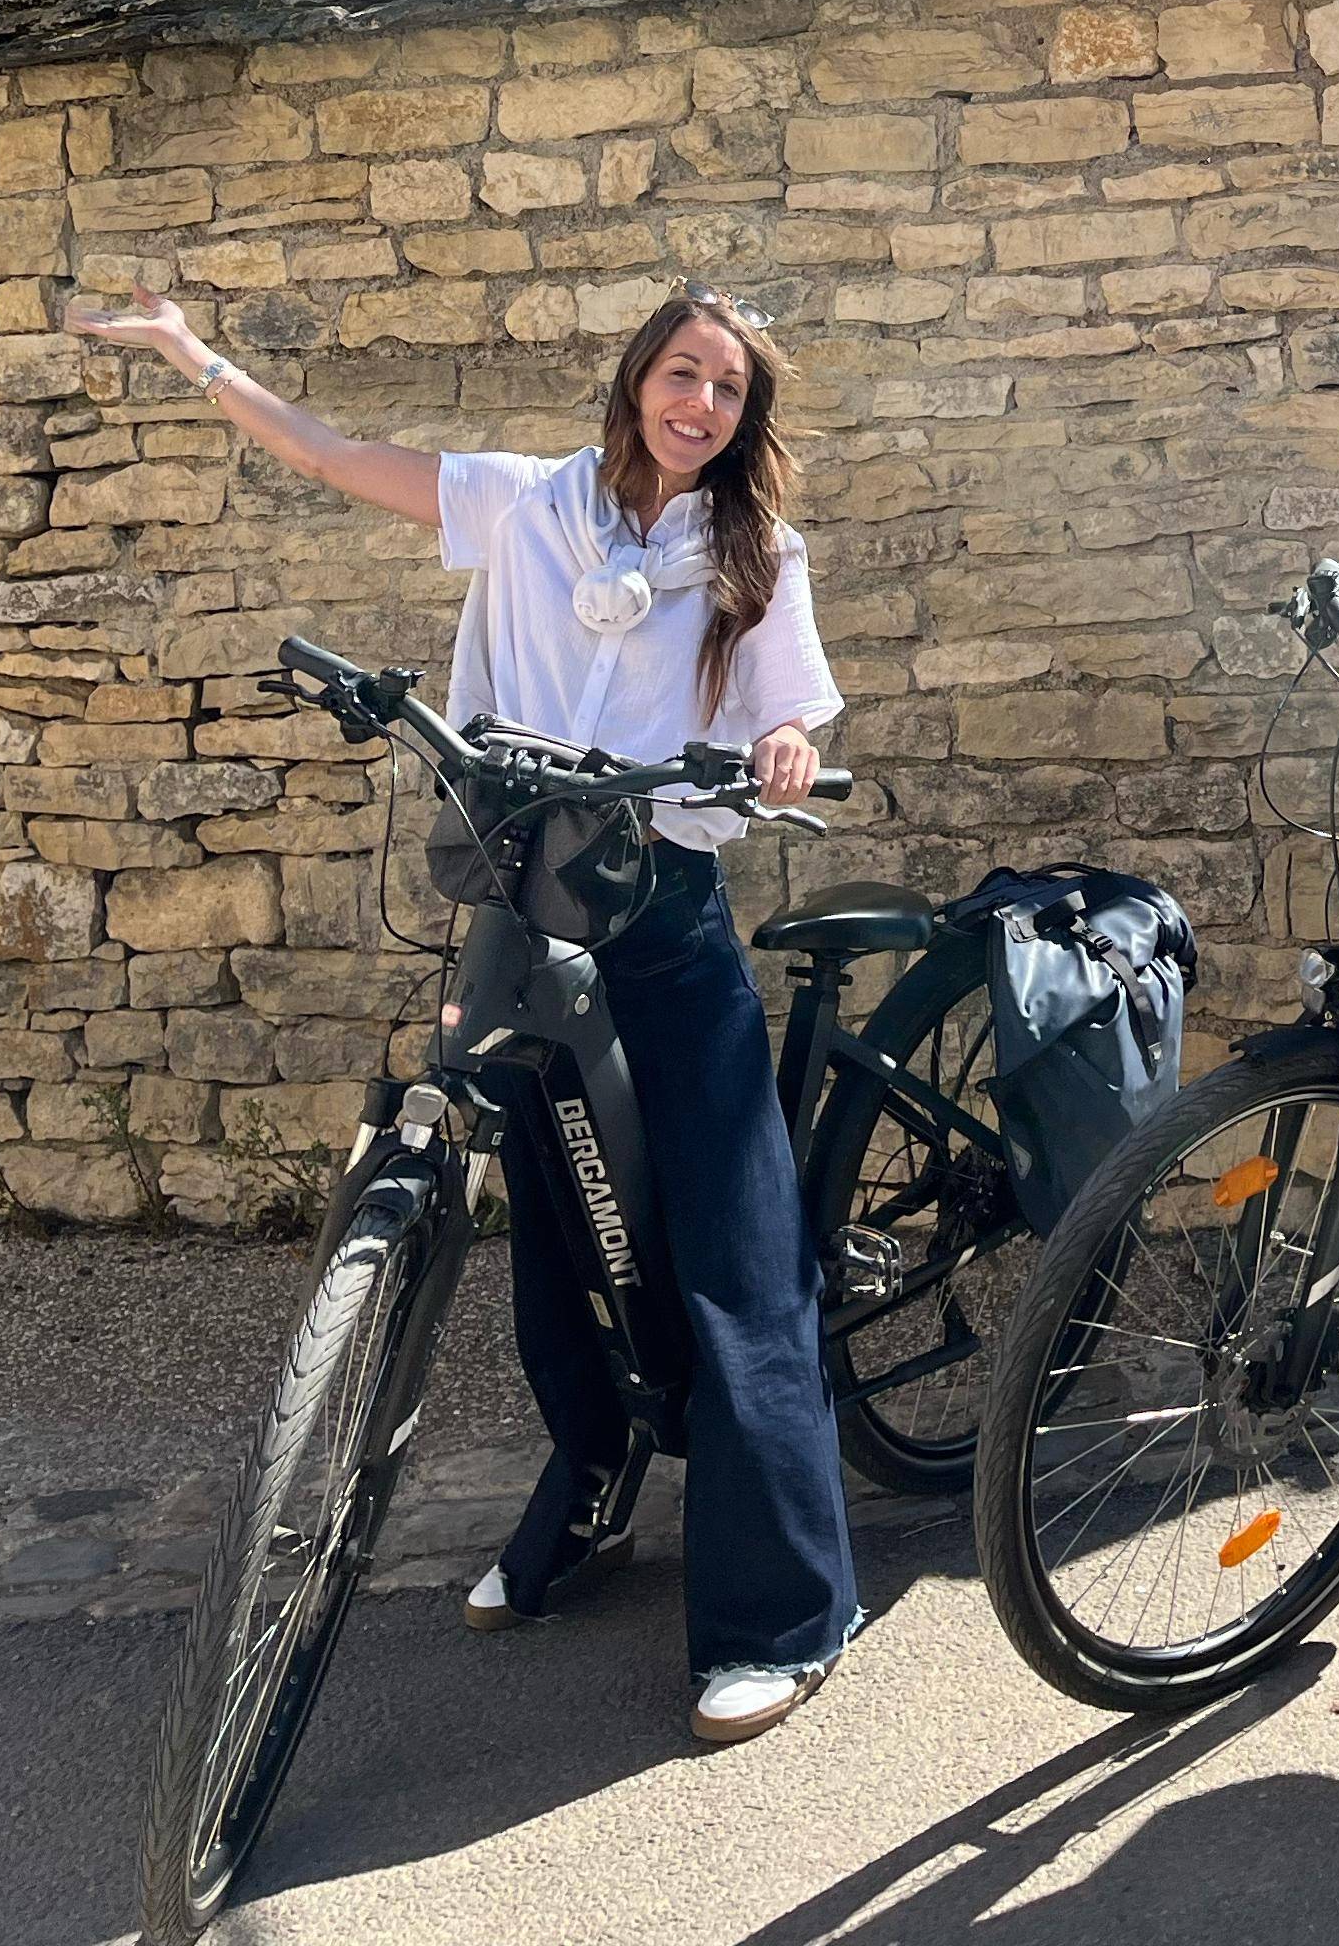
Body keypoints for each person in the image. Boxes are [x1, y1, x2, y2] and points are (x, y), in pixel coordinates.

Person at [70, 279, 859, 1750]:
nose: (700, 404)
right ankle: (594, 1492)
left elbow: (789, 711)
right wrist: (196, 357)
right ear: (635, 381)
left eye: (728, 392)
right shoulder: (521, 505)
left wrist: (787, 746)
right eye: (681, 374)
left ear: (743, 420)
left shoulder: (755, 550)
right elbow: (325, 450)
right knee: (561, 1227)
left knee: (732, 1249)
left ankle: (786, 1616)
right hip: (524, 898)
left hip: (664, 909)